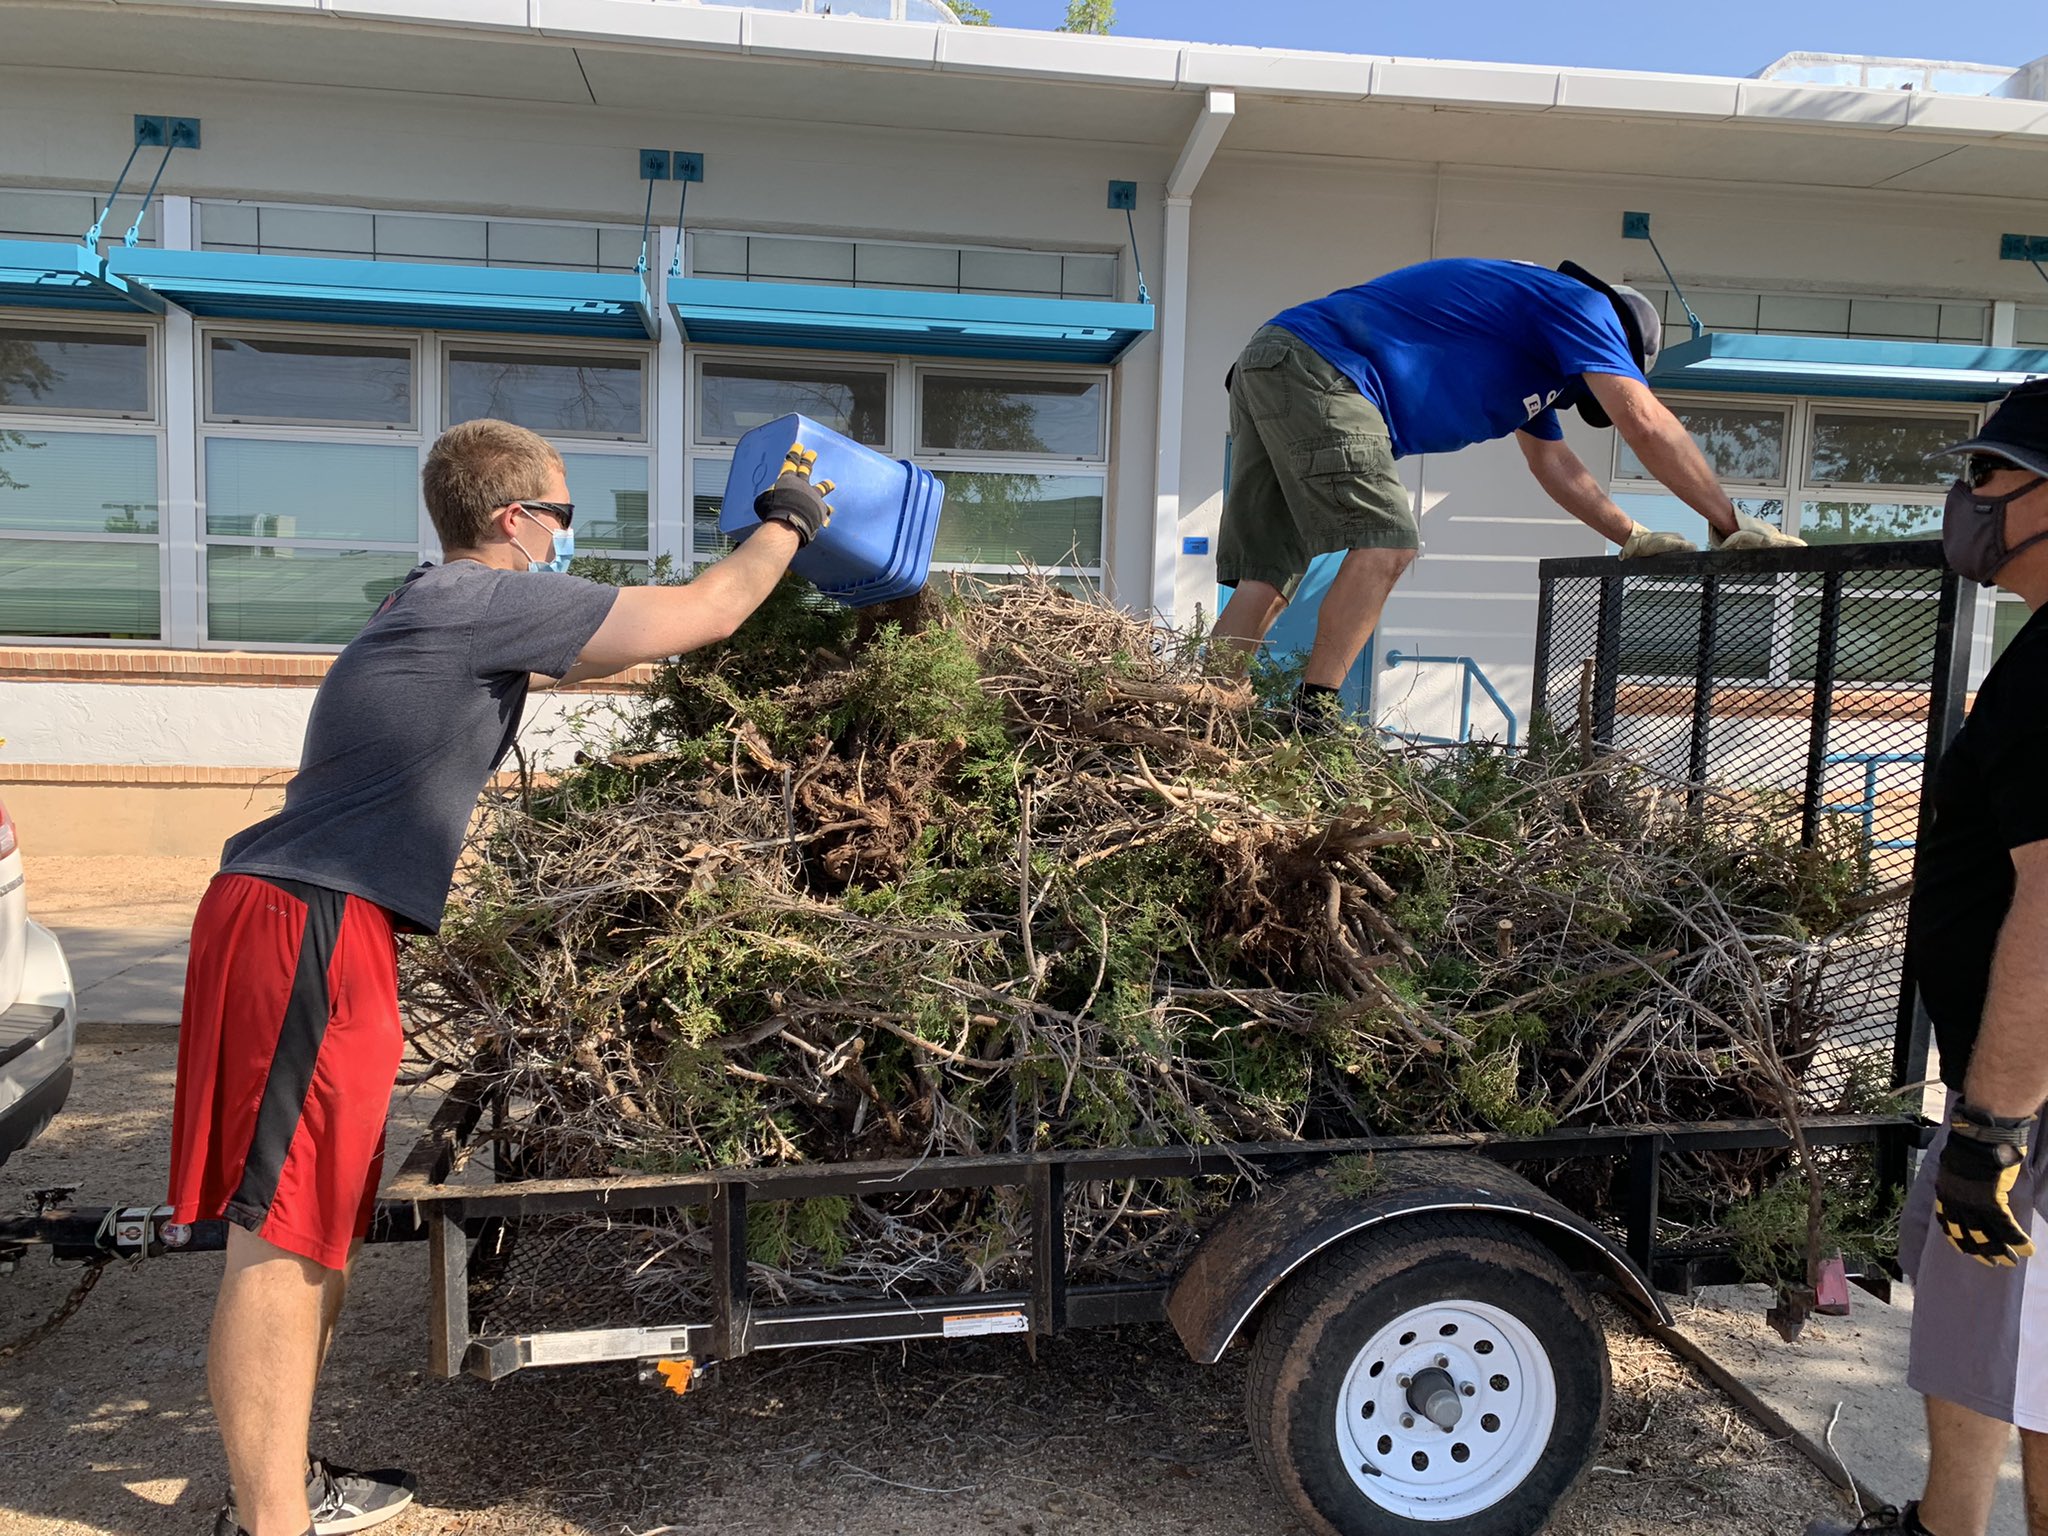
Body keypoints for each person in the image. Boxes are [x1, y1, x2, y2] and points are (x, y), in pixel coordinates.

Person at [165, 419, 833, 1536]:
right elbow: (703, 614)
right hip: (309, 922)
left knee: (315, 1226)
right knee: (281, 1241)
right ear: (513, 519)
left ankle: (286, 1484)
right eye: (564, 519)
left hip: (313, 919)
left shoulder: (440, 606)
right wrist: (788, 523)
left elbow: (630, 648)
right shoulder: (479, 595)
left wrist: (734, 593)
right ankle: (268, 1521)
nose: (568, 541)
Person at [1806, 379, 2048, 1536]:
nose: (1969, 500)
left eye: (1991, 477)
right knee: (1999, 1340)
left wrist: (1990, 1129)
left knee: (2009, 1333)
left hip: (2027, 1108)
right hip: (2014, 1097)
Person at [1208, 256, 1802, 726]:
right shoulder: (1583, 307)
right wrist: (1729, 520)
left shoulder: (1533, 360)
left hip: (1276, 360)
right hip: (1325, 369)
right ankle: (1317, 719)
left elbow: (1553, 462)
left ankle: (1206, 711)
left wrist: (1633, 535)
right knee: (1388, 543)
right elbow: (1644, 421)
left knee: (1268, 571)